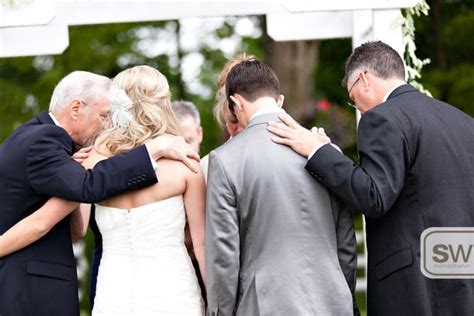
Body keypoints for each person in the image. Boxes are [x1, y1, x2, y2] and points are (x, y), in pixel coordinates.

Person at [267, 41, 474, 315]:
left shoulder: (383, 118)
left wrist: (318, 150)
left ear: (363, 79)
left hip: (413, 287)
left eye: (353, 99)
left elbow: (374, 195)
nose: (359, 109)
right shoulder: (463, 121)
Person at [0, 71, 198, 316]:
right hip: (32, 291)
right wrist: (151, 150)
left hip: (111, 293)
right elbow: (86, 187)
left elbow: (76, 228)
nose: (106, 125)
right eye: (104, 115)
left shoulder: (35, 137)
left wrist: (70, 173)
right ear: (76, 108)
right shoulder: (46, 139)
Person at [206, 59, 357, 315]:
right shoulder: (325, 150)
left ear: (237, 103)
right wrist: (343, 293)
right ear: (280, 100)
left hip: (265, 305)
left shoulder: (225, 160)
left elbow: (224, 256)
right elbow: (345, 242)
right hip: (332, 301)